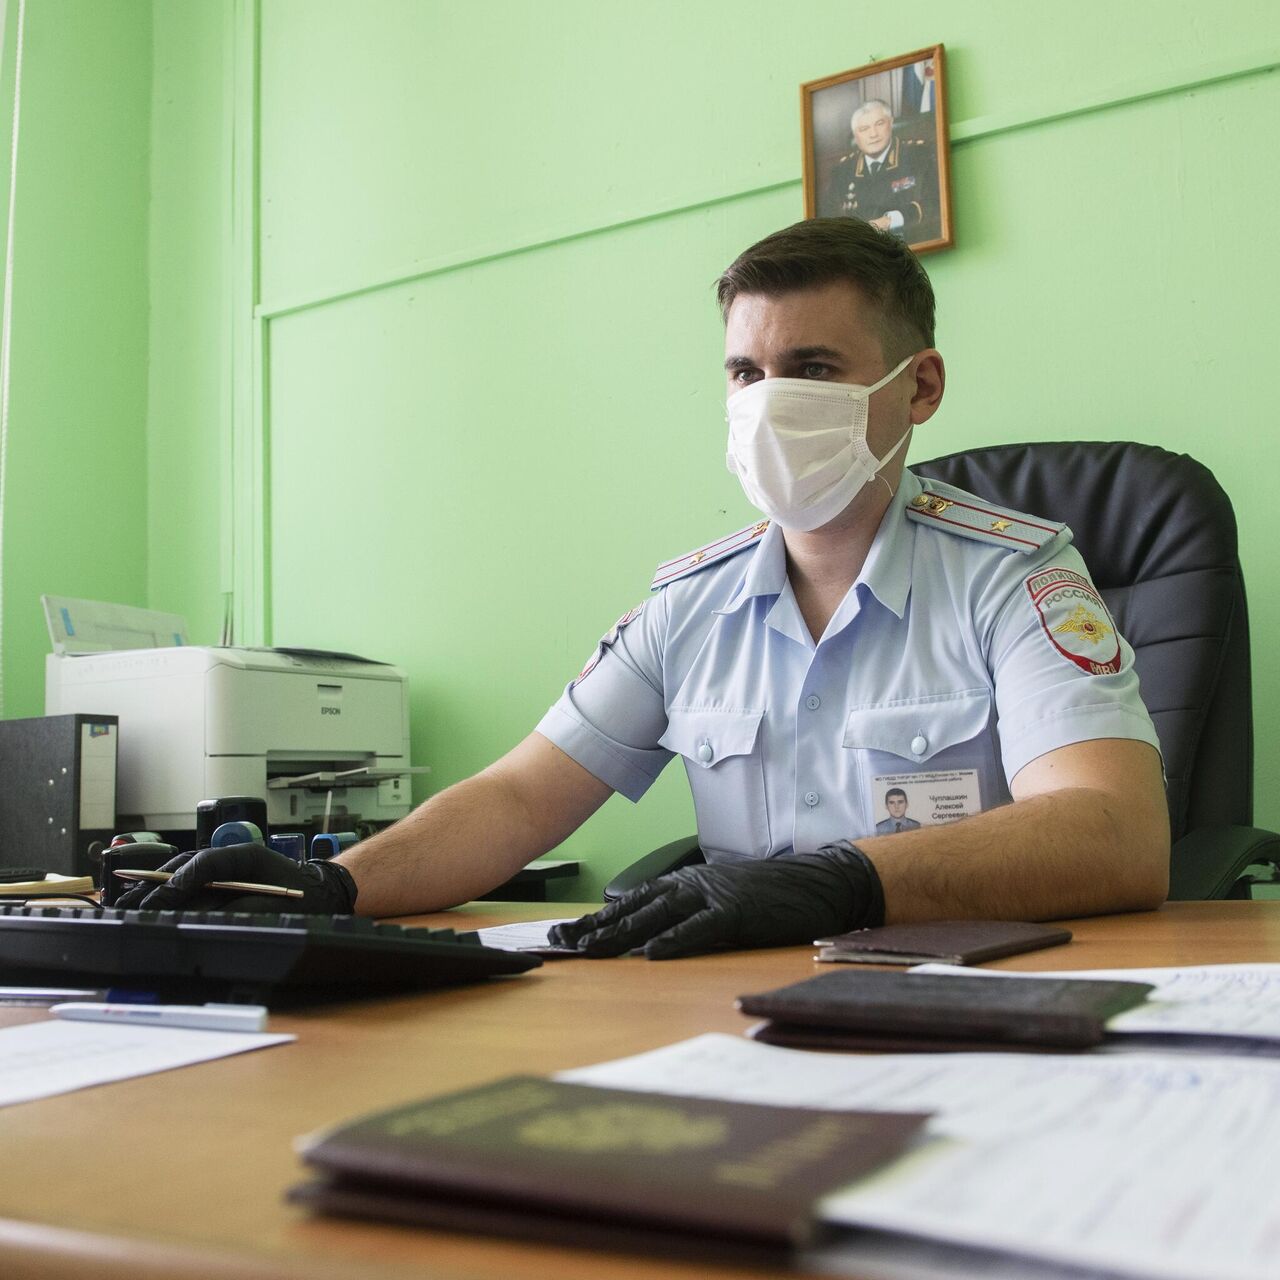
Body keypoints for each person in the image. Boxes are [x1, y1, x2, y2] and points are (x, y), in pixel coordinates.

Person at [122, 218, 1169, 959]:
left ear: (919, 386)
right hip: (733, 1010)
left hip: (969, 998)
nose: (768, 403)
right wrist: (334, 884)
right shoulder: (687, 606)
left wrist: (842, 878)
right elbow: (522, 795)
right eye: (745, 374)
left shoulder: (1016, 576)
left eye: (810, 366)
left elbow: (1113, 832)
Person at [821, 100, 937, 242]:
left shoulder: (918, 156)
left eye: (879, 124)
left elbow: (934, 202)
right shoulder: (842, 172)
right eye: (864, 129)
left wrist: (892, 220)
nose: (873, 134)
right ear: (855, 136)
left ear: (891, 123)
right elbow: (829, 222)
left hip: (912, 242)